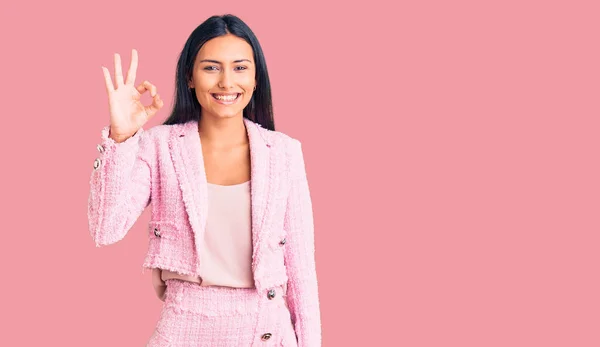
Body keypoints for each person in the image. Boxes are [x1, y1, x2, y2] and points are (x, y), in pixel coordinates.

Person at [87, 14, 321, 346]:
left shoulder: (284, 153)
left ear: (256, 78)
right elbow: (105, 229)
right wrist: (121, 138)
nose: (227, 82)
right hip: (183, 333)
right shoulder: (160, 146)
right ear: (190, 77)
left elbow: (302, 275)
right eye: (211, 67)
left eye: (240, 68)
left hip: (266, 333)